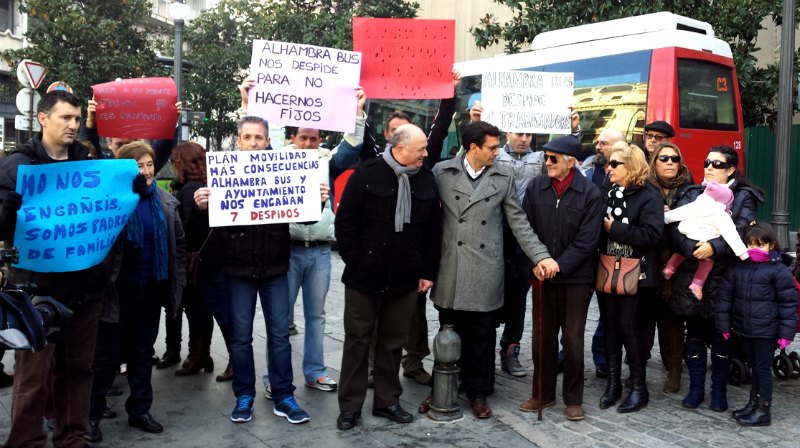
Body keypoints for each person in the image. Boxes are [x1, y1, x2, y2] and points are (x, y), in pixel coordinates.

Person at [0, 90, 139, 447]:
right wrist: (7, 213)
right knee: (33, 376)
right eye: (66, 118)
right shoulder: (18, 166)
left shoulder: (88, 163)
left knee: (78, 370)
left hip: (85, 289)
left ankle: (72, 436)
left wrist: (131, 190)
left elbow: (108, 216)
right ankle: (26, 441)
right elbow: (4, 231)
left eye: (77, 119)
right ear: (43, 118)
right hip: (36, 292)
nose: (74, 125)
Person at [193, 115, 319, 425]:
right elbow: (200, 229)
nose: (253, 143)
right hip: (236, 271)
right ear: (239, 141)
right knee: (240, 338)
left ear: (267, 141)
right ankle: (244, 395)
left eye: (258, 138)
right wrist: (199, 207)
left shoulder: (284, 172)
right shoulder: (224, 176)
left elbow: (306, 218)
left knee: (279, 336)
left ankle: (284, 395)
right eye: (247, 137)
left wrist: (316, 202)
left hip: (275, 268)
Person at [430, 121, 557, 419]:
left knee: (482, 335)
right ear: (473, 147)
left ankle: (478, 392)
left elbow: (519, 222)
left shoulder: (504, 175)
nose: (497, 152)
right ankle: (444, 389)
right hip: (452, 266)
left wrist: (540, 256)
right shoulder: (442, 172)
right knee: (448, 332)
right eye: (492, 147)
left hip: (486, 268)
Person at [246, 83, 367, 395]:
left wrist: (357, 113)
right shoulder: (277, 160)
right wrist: (250, 102)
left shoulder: (328, 160)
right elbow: (257, 144)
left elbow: (352, 148)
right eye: (304, 137)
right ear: (292, 139)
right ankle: (275, 379)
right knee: (279, 319)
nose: (309, 142)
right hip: (286, 252)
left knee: (317, 317)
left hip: (320, 254)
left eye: (314, 138)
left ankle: (315, 372)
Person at [334, 123, 442, 431]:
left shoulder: (426, 180)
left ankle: (387, 401)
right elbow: (346, 224)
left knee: (393, 342)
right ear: (399, 148)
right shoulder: (366, 175)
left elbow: (434, 231)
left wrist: (427, 271)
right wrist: (357, 262)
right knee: (357, 341)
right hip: (364, 278)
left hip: (405, 278)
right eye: (420, 148)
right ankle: (350, 406)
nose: (425, 153)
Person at [360, 69, 461, 387]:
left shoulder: (423, 164)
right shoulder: (373, 164)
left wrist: (449, 96)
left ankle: (414, 363)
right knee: (377, 318)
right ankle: (375, 368)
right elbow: (361, 137)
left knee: (415, 316)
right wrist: (359, 109)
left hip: (411, 259)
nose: (398, 134)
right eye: (393, 130)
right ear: (389, 138)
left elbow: (440, 130)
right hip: (379, 258)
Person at [468, 101, 581, 377]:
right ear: (507, 133)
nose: (524, 138)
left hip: (524, 237)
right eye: (519, 133)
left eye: (529, 134)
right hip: (491, 233)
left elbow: (566, 163)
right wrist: (474, 124)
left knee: (518, 298)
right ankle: (480, 354)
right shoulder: (494, 156)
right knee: (488, 294)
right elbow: (467, 160)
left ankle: (510, 351)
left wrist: (574, 131)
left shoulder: (542, 160)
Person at [87, 142, 187, 441]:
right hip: (116, 291)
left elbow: (178, 247)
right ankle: (91, 413)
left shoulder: (166, 202)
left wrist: (176, 283)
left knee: (142, 353)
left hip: (152, 289)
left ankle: (140, 410)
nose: (145, 171)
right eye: (137, 165)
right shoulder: (111, 199)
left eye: (148, 164)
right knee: (107, 356)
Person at [668, 145, 764, 412]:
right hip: (692, 274)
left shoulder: (744, 197)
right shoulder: (693, 192)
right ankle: (696, 388)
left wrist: (715, 246)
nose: (709, 167)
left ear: (731, 169)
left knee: (723, 336)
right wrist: (690, 248)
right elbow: (674, 229)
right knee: (695, 333)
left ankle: (718, 390)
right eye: (707, 162)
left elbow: (745, 230)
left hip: (726, 277)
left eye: (717, 164)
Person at [518, 136, 603, 421]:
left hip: (575, 279)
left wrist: (558, 265)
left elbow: (587, 240)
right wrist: (539, 261)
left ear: (571, 162)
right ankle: (542, 394)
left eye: (554, 158)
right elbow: (525, 229)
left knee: (573, 339)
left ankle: (573, 398)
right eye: (546, 157)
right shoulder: (535, 187)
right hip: (541, 274)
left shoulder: (590, 193)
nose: (548, 163)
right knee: (541, 337)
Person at [597, 141, 663, 414]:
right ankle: (613, 385)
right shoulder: (609, 191)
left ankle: (638, 387)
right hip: (608, 269)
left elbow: (652, 235)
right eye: (608, 163)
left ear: (631, 166)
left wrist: (618, 230)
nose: (608, 167)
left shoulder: (649, 196)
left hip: (637, 273)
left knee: (629, 327)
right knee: (610, 325)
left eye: (615, 164)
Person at [716, 222, 797, 426]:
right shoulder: (738, 268)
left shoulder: (778, 271)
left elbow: (788, 303)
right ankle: (753, 403)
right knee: (754, 367)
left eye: (760, 245)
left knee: (762, 369)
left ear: (771, 245)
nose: (755, 249)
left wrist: (786, 333)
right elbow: (726, 298)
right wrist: (724, 326)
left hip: (767, 330)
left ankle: (763, 409)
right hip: (745, 328)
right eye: (751, 245)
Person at [170, 141, 230, 379]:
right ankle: (200, 355)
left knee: (212, 312)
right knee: (204, 311)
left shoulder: (188, 190)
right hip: (213, 260)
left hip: (200, 264)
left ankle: (223, 358)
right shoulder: (209, 186)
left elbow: (187, 232)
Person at [642, 142, 694, 394]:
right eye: (664, 158)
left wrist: (673, 214)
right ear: (655, 162)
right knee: (642, 321)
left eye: (675, 158)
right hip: (648, 262)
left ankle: (674, 371)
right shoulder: (643, 187)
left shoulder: (691, 190)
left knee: (672, 321)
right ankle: (638, 371)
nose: (670, 162)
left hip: (678, 264)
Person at [579, 127, 625, 379]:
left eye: (604, 143)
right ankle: (567, 355)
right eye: (598, 142)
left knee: (608, 313)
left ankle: (602, 357)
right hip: (586, 252)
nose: (598, 147)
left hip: (612, 252)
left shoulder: (628, 176)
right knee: (576, 309)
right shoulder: (587, 170)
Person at [662, 181, 750, 299]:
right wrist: (742, 253)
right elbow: (731, 235)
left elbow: (676, 214)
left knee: (681, 252)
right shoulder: (721, 215)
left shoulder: (695, 205)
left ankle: (669, 268)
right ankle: (697, 285)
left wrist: (664, 217)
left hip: (689, 235)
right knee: (707, 263)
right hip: (706, 239)